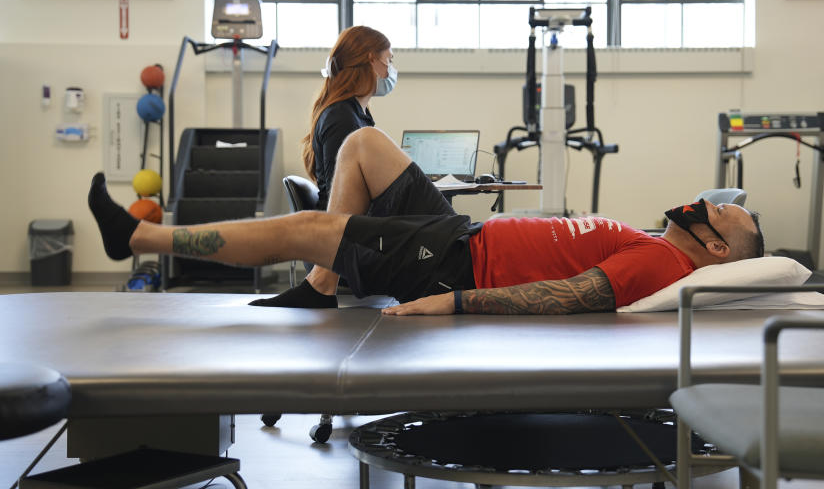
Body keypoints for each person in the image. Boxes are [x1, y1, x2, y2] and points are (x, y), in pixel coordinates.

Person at [88, 130, 764, 316]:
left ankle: (139, 238)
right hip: (461, 236)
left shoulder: (664, 264)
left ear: (713, 246)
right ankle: (326, 283)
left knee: (306, 227)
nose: (706, 202)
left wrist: (453, 302)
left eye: (719, 213)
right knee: (364, 146)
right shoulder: (657, 241)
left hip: (448, 264)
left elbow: (570, 297)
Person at [252, 25, 455, 309]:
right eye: (389, 60)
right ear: (372, 60)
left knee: (440, 222)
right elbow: (348, 195)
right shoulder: (342, 118)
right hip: (351, 240)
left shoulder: (355, 114)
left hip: (351, 233)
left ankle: (456, 245)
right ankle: (457, 250)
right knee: (450, 234)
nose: (390, 69)